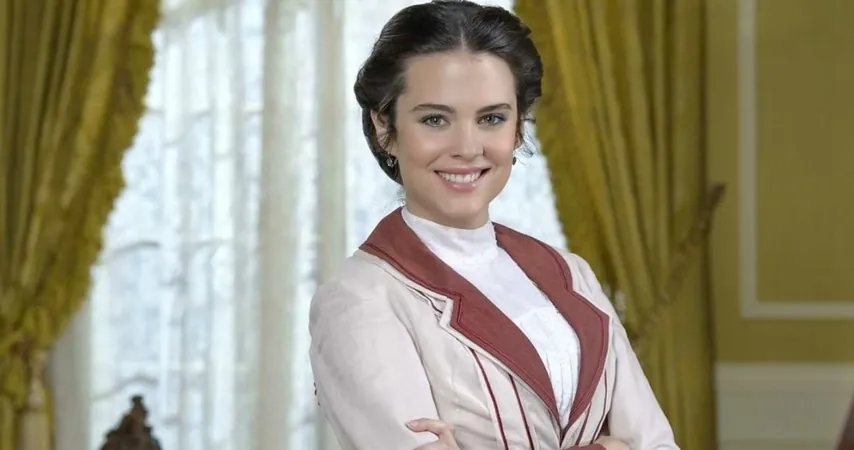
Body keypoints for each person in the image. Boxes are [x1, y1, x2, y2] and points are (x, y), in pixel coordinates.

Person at [308, 1, 679, 449]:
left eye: (491, 119)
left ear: (518, 128)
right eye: (434, 119)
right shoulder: (359, 301)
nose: (467, 147)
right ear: (385, 127)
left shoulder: (571, 274)